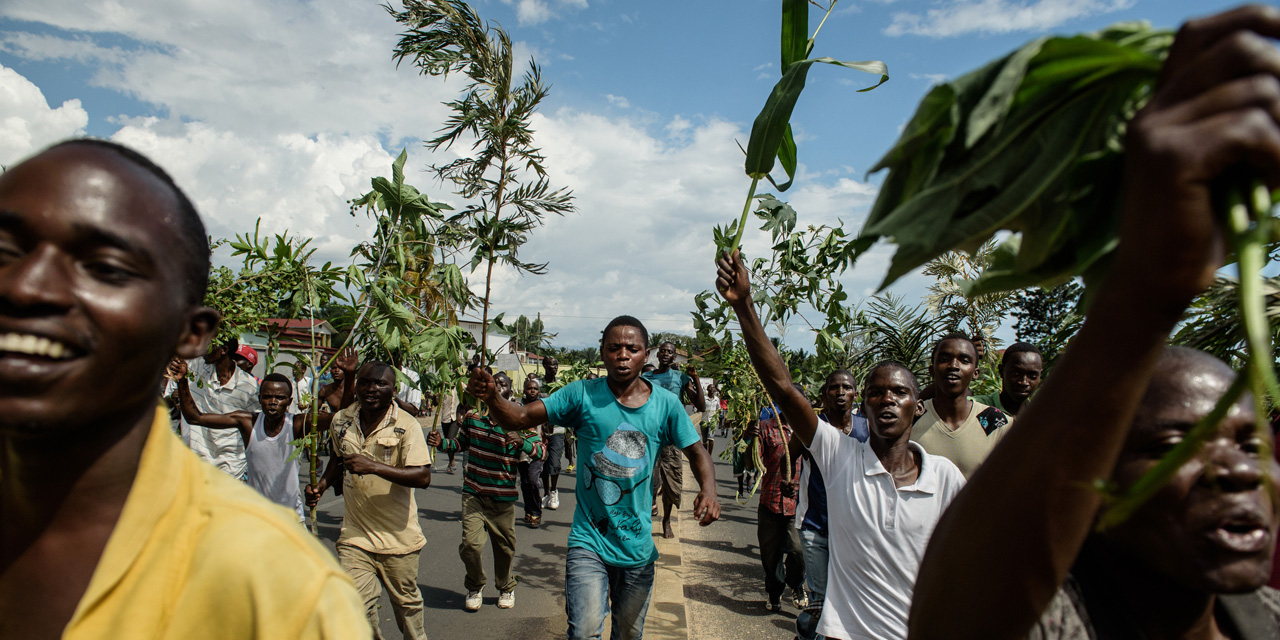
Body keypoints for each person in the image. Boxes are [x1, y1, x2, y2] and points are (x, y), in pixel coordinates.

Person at [910, 7, 1280, 638]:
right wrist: (1144, 291)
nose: (1240, 469)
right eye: (1172, 448)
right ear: (1089, 494)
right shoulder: (1053, 624)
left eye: (1252, 445)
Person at [0, 139, 368, 637]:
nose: (26, 285)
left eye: (106, 268)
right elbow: (194, 418)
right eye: (5, 252)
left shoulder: (281, 591)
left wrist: (342, 386)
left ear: (192, 334)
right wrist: (179, 385)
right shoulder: (246, 417)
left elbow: (324, 417)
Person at [716, 249, 965, 639]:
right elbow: (782, 387)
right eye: (876, 392)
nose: (887, 399)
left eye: (899, 392)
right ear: (863, 405)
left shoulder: (945, 478)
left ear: (918, 408)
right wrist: (745, 305)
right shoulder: (840, 455)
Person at [464, 315, 721, 640]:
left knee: (628, 634)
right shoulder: (581, 395)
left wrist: (709, 490)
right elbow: (521, 417)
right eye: (614, 348)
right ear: (602, 352)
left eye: (632, 348)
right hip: (589, 545)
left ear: (645, 355)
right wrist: (492, 398)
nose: (623, 354)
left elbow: (698, 452)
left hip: (637, 551)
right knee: (583, 631)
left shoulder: (666, 405)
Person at [306, 361, 433, 640]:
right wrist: (323, 485)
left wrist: (374, 466)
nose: (371, 389)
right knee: (354, 606)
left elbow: (423, 476)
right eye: (365, 382)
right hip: (355, 537)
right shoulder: (342, 420)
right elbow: (339, 460)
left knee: (407, 610)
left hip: (398, 539)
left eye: (380, 384)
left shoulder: (406, 425)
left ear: (393, 390)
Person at [171, 348, 357, 520]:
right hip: (256, 518)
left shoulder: (297, 424)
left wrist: (350, 376)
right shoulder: (247, 422)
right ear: (259, 399)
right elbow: (195, 417)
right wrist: (182, 381)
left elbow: (343, 417)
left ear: (289, 401)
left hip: (290, 518)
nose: (273, 402)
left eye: (280, 398)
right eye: (267, 397)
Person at [427, 371, 545, 611]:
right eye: (495, 383)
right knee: (470, 545)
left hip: (502, 496)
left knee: (504, 547)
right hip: (474, 492)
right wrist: (442, 444)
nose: (498, 388)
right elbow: (461, 443)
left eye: (503, 385)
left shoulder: (519, 420)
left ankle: (505, 586)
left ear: (511, 391)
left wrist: (521, 442)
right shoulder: (473, 415)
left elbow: (540, 452)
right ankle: (475, 585)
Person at [794, 370, 869, 640]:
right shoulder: (813, 426)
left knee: (846, 598)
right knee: (821, 599)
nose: (840, 393)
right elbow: (788, 456)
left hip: (853, 529)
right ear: (824, 394)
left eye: (846, 388)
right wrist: (790, 480)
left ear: (855, 394)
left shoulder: (867, 429)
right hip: (815, 524)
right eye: (834, 388)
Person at [910, 333, 1010, 478]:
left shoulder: (996, 423)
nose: (953, 366)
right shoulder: (910, 419)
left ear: (976, 373)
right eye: (944, 359)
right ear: (931, 370)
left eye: (964, 360)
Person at [749, 394, 808, 613]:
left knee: (797, 551)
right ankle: (774, 593)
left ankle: (797, 585)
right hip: (770, 502)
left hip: (798, 506)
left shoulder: (809, 430)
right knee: (770, 556)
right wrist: (750, 442)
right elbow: (752, 463)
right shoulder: (766, 427)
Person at [642, 341, 707, 539]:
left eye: (669, 352)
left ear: (674, 357)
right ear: (658, 355)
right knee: (648, 481)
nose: (665, 354)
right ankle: (644, 519)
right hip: (650, 438)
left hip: (671, 440)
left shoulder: (681, 377)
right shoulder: (646, 377)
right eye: (662, 351)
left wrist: (695, 378)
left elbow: (701, 405)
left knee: (671, 482)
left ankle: (667, 519)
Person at [177, 335, 259, 479]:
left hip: (231, 468)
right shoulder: (195, 368)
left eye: (209, 345)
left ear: (223, 350)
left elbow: (256, 427)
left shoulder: (248, 387)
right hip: (196, 463)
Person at [971, 341, 1043, 417]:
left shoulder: (1041, 416)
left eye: (1032, 376)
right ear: (1001, 371)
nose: (1024, 382)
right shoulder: (975, 407)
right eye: (1016, 374)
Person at [518, 376, 548, 528]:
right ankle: (528, 509)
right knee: (524, 482)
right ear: (524, 391)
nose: (532, 391)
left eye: (535, 389)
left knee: (533, 480)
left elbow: (548, 427)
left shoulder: (543, 406)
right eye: (529, 388)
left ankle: (536, 511)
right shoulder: (519, 406)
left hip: (538, 450)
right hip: (522, 449)